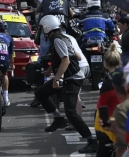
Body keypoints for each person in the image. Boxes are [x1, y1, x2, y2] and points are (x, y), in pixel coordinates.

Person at [35, 15, 98, 153]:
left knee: (71, 112)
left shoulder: (57, 39)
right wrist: (49, 71)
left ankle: (92, 141)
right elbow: (77, 56)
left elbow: (66, 60)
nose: (40, 32)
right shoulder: (63, 38)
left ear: (47, 27)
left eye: (41, 28)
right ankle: (58, 118)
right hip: (70, 75)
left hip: (73, 78)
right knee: (41, 92)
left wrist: (57, 78)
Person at [94, 43, 122, 157]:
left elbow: (103, 107)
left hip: (110, 125)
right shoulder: (127, 76)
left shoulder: (107, 83)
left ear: (105, 62)